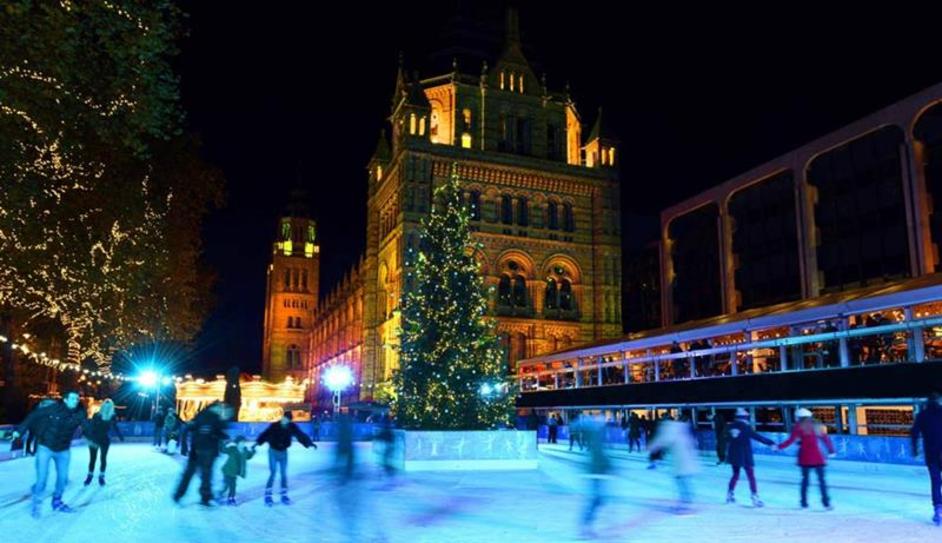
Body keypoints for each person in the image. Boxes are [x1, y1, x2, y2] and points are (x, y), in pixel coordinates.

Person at [11, 391, 92, 516]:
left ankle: (57, 502)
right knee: (42, 479)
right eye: (72, 398)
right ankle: (37, 500)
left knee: (62, 479)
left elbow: (87, 427)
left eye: (77, 398)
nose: (76, 400)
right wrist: (19, 431)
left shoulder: (80, 413)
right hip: (45, 447)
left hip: (63, 450)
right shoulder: (53, 409)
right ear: (65, 400)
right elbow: (33, 416)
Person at [173, 401, 231, 506]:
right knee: (206, 474)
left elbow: (189, 427)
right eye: (218, 408)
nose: (220, 410)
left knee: (189, 473)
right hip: (208, 451)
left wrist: (185, 445)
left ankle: (178, 494)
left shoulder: (200, 415)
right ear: (215, 408)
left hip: (196, 450)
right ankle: (205, 497)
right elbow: (222, 432)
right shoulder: (216, 417)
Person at [777, 407, 835, 510]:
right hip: (818, 457)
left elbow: (790, 440)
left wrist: (779, 447)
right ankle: (826, 504)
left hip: (805, 458)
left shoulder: (798, 427)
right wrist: (831, 450)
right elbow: (826, 439)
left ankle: (804, 503)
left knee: (805, 481)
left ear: (799, 417)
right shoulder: (817, 425)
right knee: (822, 481)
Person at [256, 411, 317, 506]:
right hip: (273, 451)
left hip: (283, 452)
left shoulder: (292, 426)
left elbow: (300, 435)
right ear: (282, 417)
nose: (286, 421)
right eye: (285, 418)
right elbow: (265, 434)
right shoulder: (275, 425)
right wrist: (257, 443)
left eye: (288, 420)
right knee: (273, 473)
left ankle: (284, 494)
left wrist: (309, 443)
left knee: (283, 474)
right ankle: (268, 495)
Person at [647, 416, 699, 513]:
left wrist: (651, 446)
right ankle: (686, 502)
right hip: (687, 461)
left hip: (681, 462)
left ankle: (686, 504)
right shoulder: (682, 429)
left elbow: (662, 441)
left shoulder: (671, 429)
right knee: (684, 481)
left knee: (682, 482)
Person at [725, 408, 774, 507]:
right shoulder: (745, 427)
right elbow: (757, 437)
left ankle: (730, 495)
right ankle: (754, 497)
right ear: (744, 417)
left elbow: (725, 438)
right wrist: (771, 443)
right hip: (745, 455)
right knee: (751, 476)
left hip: (734, 455)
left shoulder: (730, 426)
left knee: (735, 475)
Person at [578, 414, 612, 539]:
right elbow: (598, 454)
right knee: (596, 500)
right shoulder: (595, 435)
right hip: (595, 473)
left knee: (598, 500)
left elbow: (600, 453)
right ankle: (585, 527)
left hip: (596, 472)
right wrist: (609, 465)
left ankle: (585, 526)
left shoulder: (596, 434)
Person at [911, 391, 942, 525]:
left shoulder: (922, 415)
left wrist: (915, 450)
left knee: (935, 481)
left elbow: (914, 433)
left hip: (931, 455)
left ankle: (938, 510)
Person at [84, 399, 124, 486]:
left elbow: (115, 426)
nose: (106, 407)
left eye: (108, 406)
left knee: (103, 458)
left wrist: (120, 435)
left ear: (111, 407)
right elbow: (91, 427)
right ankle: (90, 475)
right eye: (105, 405)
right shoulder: (96, 415)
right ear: (102, 406)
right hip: (94, 439)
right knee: (92, 459)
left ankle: (101, 476)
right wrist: (88, 436)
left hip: (104, 440)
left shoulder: (112, 416)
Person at [220, 436, 256, 505]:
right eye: (241, 442)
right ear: (237, 443)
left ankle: (231, 499)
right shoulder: (232, 449)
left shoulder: (245, 450)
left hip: (235, 472)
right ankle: (221, 494)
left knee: (232, 486)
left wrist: (253, 450)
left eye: (243, 442)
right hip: (227, 471)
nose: (242, 443)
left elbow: (249, 456)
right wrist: (224, 443)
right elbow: (223, 450)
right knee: (228, 486)